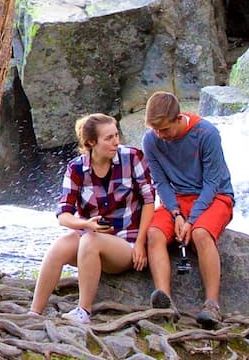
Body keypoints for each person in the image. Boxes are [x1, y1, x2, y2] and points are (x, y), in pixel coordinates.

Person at [30, 114, 166, 324]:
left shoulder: (132, 157)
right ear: (91, 142)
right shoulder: (76, 168)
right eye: (109, 138)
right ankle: (34, 313)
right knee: (59, 247)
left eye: (116, 135)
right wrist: (85, 224)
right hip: (90, 236)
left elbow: (150, 201)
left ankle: (83, 311)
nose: (116, 141)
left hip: (126, 243)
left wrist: (140, 243)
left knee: (90, 240)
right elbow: (64, 215)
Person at [139, 91, 235, 328]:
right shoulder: (151, 140)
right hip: (178, 200)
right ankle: (164, 302)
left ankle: (212, 305)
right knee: (154, 234)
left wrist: (191, 221)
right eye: (156, 131)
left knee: (201, 234)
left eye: (165, 130)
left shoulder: (207, 134)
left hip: (215, 197)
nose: (161, 136)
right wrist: (176, 214)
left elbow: (212, 182)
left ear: (178, 118)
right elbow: (160, 182)